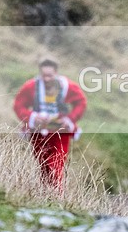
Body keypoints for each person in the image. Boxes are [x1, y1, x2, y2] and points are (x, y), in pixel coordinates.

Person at [13, 58, 87, 192]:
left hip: (61, 131)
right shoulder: (31, 87)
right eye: (44, 76)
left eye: (50, 76)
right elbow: (19, 105)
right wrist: (33, 117)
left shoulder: (67, 86)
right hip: (37, 131)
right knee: (43, 162)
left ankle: (57, 193)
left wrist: (70, 119)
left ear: (56, 73)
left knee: (56, 162)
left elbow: (81, 102)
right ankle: (45, 192)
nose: (47, 79)